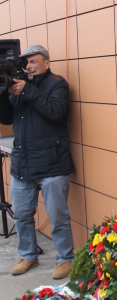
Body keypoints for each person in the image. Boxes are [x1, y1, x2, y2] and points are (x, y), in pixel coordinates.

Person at [0, 45, 75, 279]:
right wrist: (3, 93)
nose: (29, 66)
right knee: (22, 216)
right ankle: (28, 255)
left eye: (34, 61)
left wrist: (27, 91)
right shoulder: (19, 87)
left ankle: (65, 259)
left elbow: (56, 111)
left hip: (53, 164)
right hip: (22, 165)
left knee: (58, 217)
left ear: (46, 62)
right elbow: (5, 118)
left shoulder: (57, 84)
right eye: (26, 62)